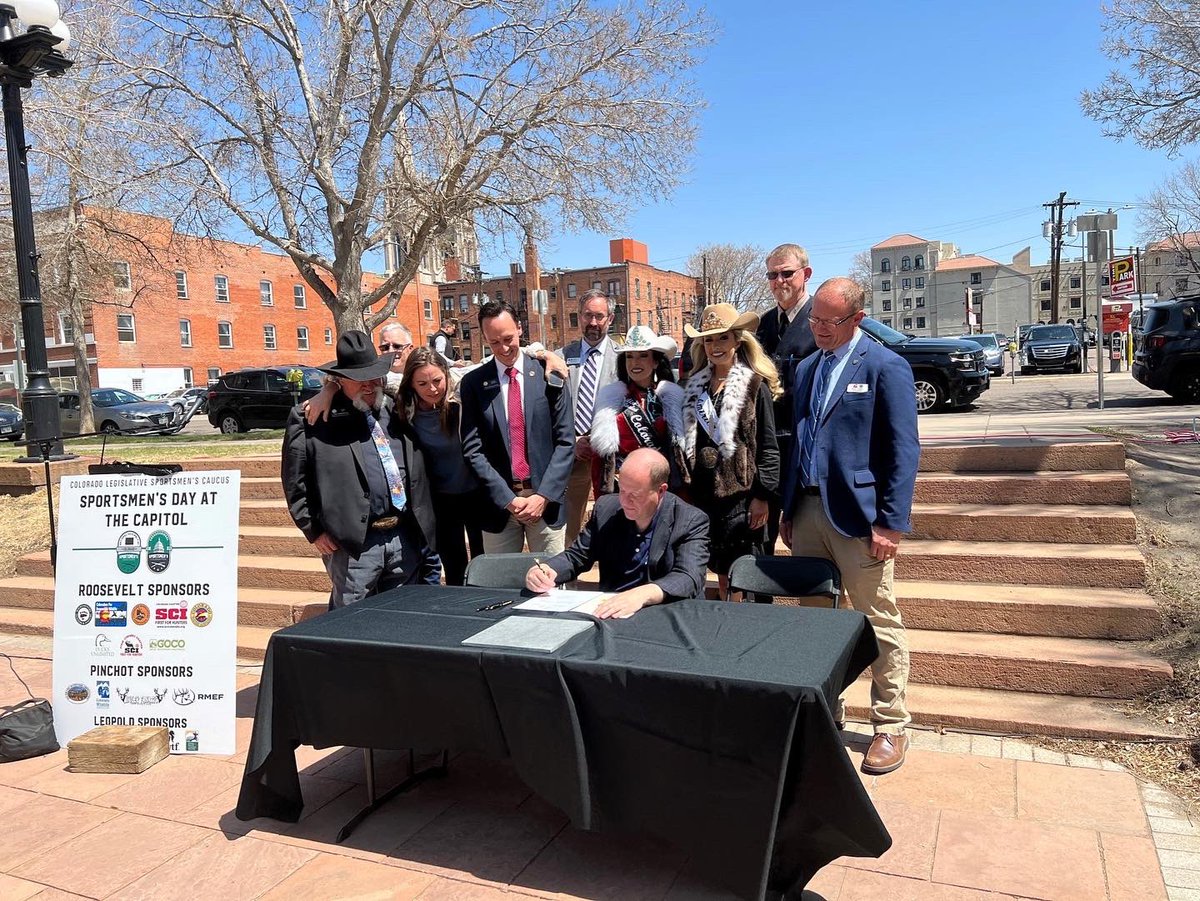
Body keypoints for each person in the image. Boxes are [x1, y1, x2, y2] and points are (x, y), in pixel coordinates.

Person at [780, 277, 919, 776]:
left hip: (860, 519)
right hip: (809, 510)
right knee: (817, 618)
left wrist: (892, 523)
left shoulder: (886, 366)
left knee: (877, 617)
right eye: (814, 318)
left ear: (857, 318)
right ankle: (825, 712)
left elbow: (903, 451)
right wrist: (787, 508)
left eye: (829, 321)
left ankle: (891, 724)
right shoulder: (808, 367)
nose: (817, 328)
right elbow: (799, 439)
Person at [282, 330, 440, 608]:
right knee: (352, 623)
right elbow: (295, 482)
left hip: (404, 537)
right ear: (341, 380)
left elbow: (444, 381)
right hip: (353, 545)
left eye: (374, 377)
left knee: (404, 617)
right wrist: (314, 530)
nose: (369, 386)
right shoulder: (312, 418)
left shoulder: (396, 408)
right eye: (358, 380)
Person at [525, 448, 709, 619]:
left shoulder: (690, 520)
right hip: (612, 614)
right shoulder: (607, 509)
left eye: (634, 495)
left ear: (661, 491)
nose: (624, 501)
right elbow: (577, 556)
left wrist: (642, 594)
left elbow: (689, 576)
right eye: (622, 490)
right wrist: (548, 570)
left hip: (668, 614)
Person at [460, 299, 575, 555]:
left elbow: (566, 441)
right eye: (494, 342)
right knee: (499, 588)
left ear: (520, 329)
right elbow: (472, 450)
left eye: (508, 338)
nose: (503, 348)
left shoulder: (549, 374)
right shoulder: (474, 384)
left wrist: (543, 496)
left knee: (551, 585)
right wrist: (507, 499)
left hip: (546, 502)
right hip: (499, 505)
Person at [682, 303, 781, 601]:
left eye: (722, 338)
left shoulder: (754, 386)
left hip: (742, 499)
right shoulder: (692, 387)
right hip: (702, 496)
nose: (715, 346)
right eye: (709, 339)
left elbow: (769, 448)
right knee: (721, 578)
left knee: (744, 580)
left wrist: (762, 497)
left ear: (737, 340)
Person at [394, 347, 485, 586]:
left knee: (483, 562)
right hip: (440, 499)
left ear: (446, 374)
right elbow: (366, 378)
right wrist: (328, 389)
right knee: (454, 566)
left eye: (436, 380)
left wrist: (544, 354)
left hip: (476, 492)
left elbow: (498, 357)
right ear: (411, 384)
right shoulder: (404, 407)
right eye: (422, 383)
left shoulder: (461, 396)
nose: (432, 389)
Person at [755, 244, 817, 554]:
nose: (779, 281)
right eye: (772, 275)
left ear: (806, 274)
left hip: (805, 449)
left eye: (787, 273)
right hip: (767, 449)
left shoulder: (822, 321)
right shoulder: (762, 326)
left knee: (806, 544)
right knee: (759, 543)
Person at [557, 289, 622, 544]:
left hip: (609, 457)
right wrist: (572, 440)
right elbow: (552, 407)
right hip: (572, 454)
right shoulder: (561, 357)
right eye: (587, 316)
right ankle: (568, 579)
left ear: (610, 318)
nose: (593, 323)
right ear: (579, 317)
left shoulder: (623, 359)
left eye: (599, 316)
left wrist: (598, 438)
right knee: (568, 529)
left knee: (611, 523)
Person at [589, 324, 685, 494]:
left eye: (642, 356)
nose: (635, 362)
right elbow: (601, 461)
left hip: (662, 487)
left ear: (655, 361)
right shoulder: (611, 400)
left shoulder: (671, 398)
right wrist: (603, 498)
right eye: (629, 356)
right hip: (626, 488)